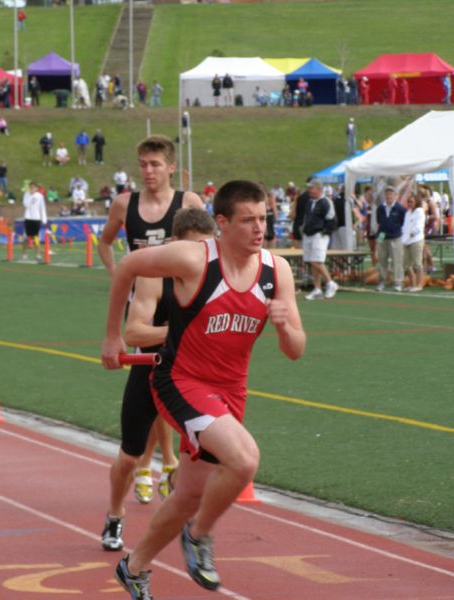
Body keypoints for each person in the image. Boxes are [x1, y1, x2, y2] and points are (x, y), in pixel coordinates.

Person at [101, 180, 305, 598]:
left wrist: (285, 327)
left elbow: (295, 351)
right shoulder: (194, 259)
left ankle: (134, 567)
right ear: (223, 223)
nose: (259, 229)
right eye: (248, 220)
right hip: (181, 381)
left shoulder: (276, 270)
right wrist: (112, 337)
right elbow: (127, 266)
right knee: (245, 459)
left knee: (189, 494)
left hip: (230, 392)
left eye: (264, 218)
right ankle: (199, 536)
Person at [101, 208, 215, 554]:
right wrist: (180, 332)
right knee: (130, 458)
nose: (198, 258)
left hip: (194, 376)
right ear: (174, 244)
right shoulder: (154, 276)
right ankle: (115, 513)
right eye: (192, 249)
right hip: (151, 370)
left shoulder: (214, 274)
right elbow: (134, 330)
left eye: (205, 250)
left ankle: (190, 527)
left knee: (210, 456)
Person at [98, 135, 204, 275]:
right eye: (143, 165)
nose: (148, 171)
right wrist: (115, 273)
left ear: (171, 168)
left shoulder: (189, 202)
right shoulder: (123, 204)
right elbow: (105, 243)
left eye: (155, 164)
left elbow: (206, 247)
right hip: (138, 294)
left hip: (179, 293)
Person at [301, 179, 339, 300]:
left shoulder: (326, 202)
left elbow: (331, 219)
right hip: (308, 234)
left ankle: (330, 283)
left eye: (311, 188)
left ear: (318, 189)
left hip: (319, 235)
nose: (309, 190)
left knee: (316, 261)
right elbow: (307, 217)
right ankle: (317, 289)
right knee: (312, 261)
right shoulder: (310, 201)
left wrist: (324, 232)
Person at [375, 185, 406, 292]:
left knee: (397, 261)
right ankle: (382, 281)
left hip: (395, 238)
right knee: (382, 261)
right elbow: (380, 222)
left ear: (395, 196)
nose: (389, 196)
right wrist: (379, 239)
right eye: (387, 194)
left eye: (391, 194)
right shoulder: (380, 208)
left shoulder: (400, 209)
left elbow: (402, 222)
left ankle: (398, 282)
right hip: (383, 237)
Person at [402, 192, 425, 292]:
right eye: (408, 202)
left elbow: (419, 226)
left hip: (416, 240)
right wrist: (403, 237)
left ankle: (419, 285)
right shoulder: (408, 213)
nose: (409, 204)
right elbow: (405, 227)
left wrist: (412, 232)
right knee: (406, 264)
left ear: (416, 202)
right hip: (406, 241)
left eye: (411, 202)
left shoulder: (419, 211)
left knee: (417, 264)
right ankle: (412, 284)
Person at [22, 182, 47, 260]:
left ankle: (37, 253)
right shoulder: (26, 194)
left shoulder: (40, 196)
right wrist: (30, 196)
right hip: (28, 217)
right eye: (30, 187)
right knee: (26, 236)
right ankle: (24, 254)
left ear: (36, 188)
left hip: (36, 218)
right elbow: (25, 204)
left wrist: (44, 219)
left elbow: (42, 208)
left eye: (33, 187)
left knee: (36, 236)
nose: (31, 189)